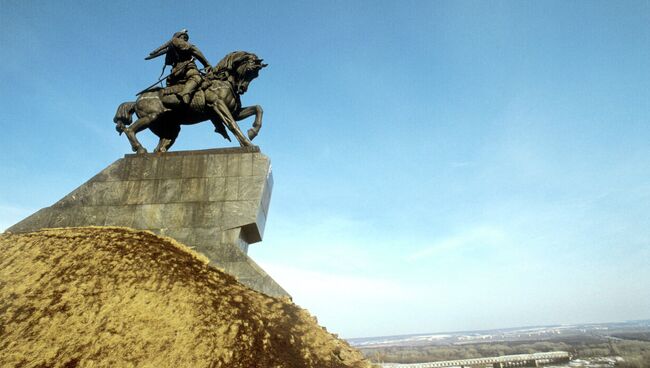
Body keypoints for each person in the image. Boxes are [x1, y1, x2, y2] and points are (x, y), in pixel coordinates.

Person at [146, 29, 212, 104]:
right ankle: (185, 94)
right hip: (187, 67)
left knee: (170, 84)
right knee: (196, 77)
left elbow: (165, 57)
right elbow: (196, 52)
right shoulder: (184, 44)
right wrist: (206, 64)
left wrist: (154, 53)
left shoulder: (172, 45)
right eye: (185, 37)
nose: (185, 39)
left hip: (175, 72)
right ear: (181, 37)